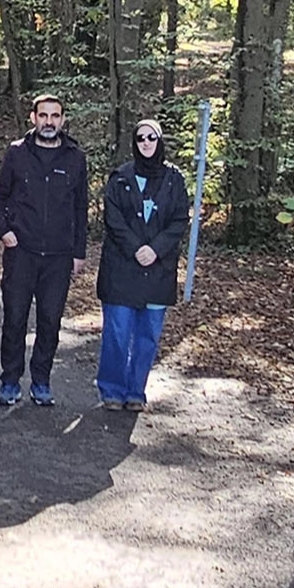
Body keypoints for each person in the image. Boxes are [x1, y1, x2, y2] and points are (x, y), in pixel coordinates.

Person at [0, 93, 89, 407]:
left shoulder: (75, 157)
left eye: (55, 116)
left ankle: (41, 381)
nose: (49, 121)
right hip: (22, 252)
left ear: (62, 119)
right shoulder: (17, 154)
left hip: (58, 256)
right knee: (15, 318)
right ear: (33, 118)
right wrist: (4, 231)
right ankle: (9, 380)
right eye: (43, 115)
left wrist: (79, 252)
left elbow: (80, 208)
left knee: (50, 320)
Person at [96, 119, 189, 412]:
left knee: (148, 336)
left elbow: (179, 220)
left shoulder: (174, 179)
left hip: (157, 271)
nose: (146, 143)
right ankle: (112, 389)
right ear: (134, 143)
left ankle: (136, 390)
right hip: (122, 268)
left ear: (159, 141)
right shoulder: (120, 178)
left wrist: (155, 249)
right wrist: (137, 249)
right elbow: (113, 220)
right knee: (118, 333)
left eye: (151, 138)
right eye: (140, 139)